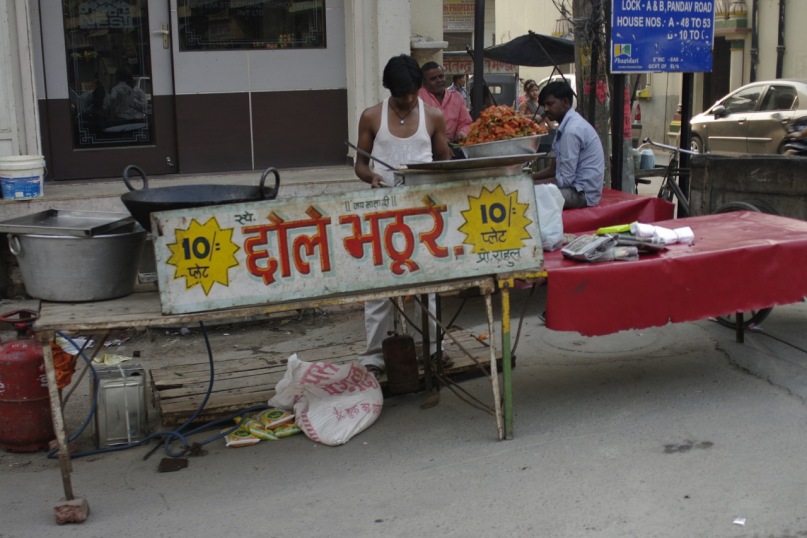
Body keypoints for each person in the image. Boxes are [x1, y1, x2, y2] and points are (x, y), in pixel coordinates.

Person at [353, 54, 452, 376]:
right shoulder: (371, 116)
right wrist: (371, 176)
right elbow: (360, 164)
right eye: (400, 95)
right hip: (382, 212)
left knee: (428, 283)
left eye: (412, 94)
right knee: (379, 286)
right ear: (389, 89)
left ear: (419, 88)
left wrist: (433, 179)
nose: (408, 100)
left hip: (423, 215)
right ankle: (375, 355)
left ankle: (433, 348)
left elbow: (444, 161)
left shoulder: (433, 116)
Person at [532, 81, 605, 209]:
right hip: (573, 189)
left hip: (582, 194)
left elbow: (564, 181)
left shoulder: (571, 130)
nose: (546, 109)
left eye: (550, 104)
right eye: (544, 105)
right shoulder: (565, 126)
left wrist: (531, 185)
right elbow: (553, 169)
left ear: (565, 102)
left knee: (530, 196)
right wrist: (529, 178)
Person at [418, 62, 472, 145]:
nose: (439, 81)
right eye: (433, 79)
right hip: (426, 147)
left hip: (453, 146)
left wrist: (462, 132)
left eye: (441, 76)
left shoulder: (456, 97)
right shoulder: (418, 98)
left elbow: (466, 123)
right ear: (424, 82)